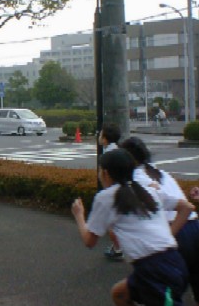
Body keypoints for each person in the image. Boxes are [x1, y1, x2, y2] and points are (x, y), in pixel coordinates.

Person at [71, 148, 193, 306]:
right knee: (119, 294)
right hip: (174, 262)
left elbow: (89, 241)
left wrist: (79, 215)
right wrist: (168, 237)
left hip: (155, 271)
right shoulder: (146, 190)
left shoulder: (106, 197)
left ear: (106, 173)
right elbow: (187, 208)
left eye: (100, 170)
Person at [121, 136, 199, 306]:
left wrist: (168, 240)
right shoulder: (157, 171)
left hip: (178, 230)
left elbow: (162, 195)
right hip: (195, 228)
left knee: (165, 294)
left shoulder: (137, 176)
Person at [98, 123, 122, 259]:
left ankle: (118, 249)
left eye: (101, 134)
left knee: (112, 223)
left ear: (105, 139)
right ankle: (118, 247)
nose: (99, 137)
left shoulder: (107, 155)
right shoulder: (118, 150)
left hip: (114, 191)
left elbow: (104, 175)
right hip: (122, 190)